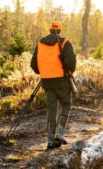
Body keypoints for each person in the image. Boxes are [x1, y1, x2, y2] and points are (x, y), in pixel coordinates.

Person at [30, 21, 76, 149]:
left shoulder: (40, 44)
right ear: (60, 31)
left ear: (50, 30)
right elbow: (71, 61)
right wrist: (69, 72)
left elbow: (34, 64)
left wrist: (44, 72)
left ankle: (50, 140)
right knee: (66, 104)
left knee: (52, 109)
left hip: (46, 81)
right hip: (62, 80)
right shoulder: (65, 42)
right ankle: (60, 134)